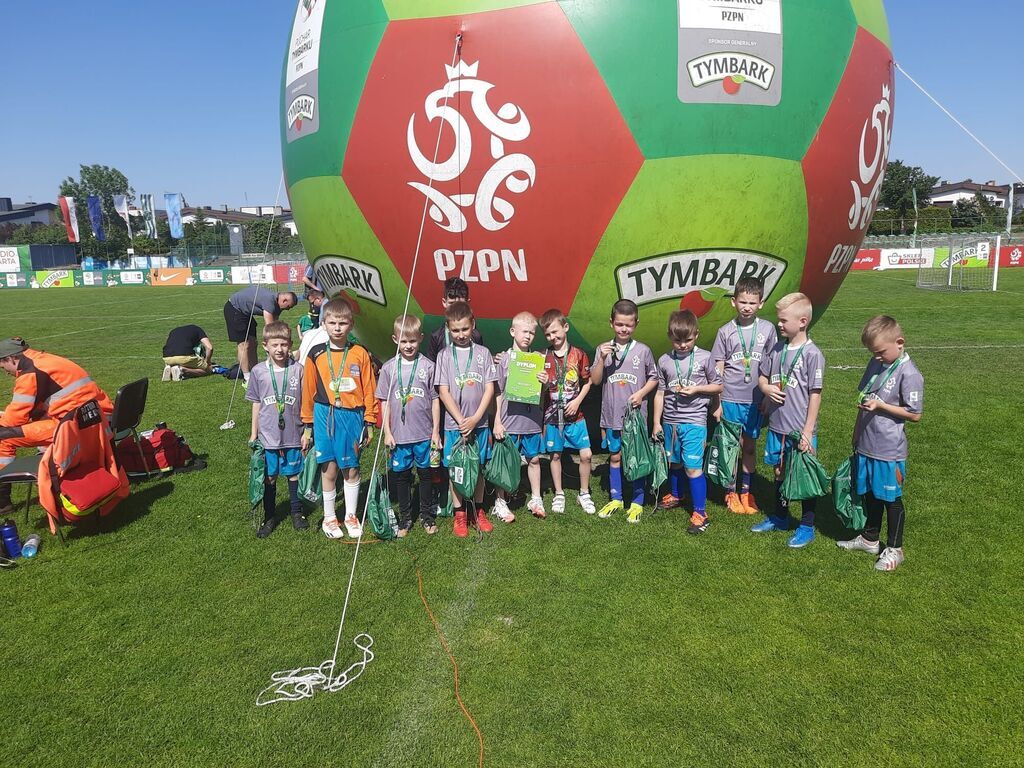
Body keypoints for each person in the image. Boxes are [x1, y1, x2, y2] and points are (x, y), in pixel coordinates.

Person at [837, 315, 924, 572]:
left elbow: (915, 414)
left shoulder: (910, 373)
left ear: (899, 342)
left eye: (881, 352)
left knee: (891, 499)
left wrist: (882, 406)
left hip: (888, 449)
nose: (877, 357)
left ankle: (896, 549)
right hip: (866, 442)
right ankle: (870, 539)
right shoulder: (876, 363)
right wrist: (856, 432)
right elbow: (865, 400)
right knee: (871, 494)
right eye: (873, 353)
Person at [0, 337, 114, 514]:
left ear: (11, 359)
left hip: (71, 428)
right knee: (35, 421)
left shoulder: (28, 372)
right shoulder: (46, 360)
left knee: (4, 437)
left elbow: (14, 419)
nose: (5, 372)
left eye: (3, 367)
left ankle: (2, 501)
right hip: (97, 418)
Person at [301, 297, 378, 539]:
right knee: (329, 468)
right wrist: (307, 426)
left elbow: (369, 388)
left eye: (342, 323)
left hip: (352, 416)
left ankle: (351, 516)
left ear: (351, 324)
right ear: (323, 323)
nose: (337, 328)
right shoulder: (315, 354)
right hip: (325, 415)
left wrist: (370, 421)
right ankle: (329, 518)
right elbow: (308, 390)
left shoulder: (360, 353)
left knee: (351, 468)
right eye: (332, 322)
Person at [752, 292, 825, 548]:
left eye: (783, 321)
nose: (779, 325)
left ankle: (806, 526)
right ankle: (781, 517)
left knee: (804, 477)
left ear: (802, 322)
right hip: (777, 426)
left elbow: (815, 396)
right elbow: (762, 377)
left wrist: (807, 431)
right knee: (779, 472)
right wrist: (766, 389)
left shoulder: (812, 354)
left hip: (800, 429)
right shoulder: (777, 349)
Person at [711, 276, 778, 514]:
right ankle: (730, 492)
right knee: (730, 448)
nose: (747, 307)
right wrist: (716, 402)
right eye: (742, 302)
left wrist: (768, 396)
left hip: (755, 400)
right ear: (733, 302)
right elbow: (718, 367)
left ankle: (747, 493)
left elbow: (772, 366)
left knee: (749, 447)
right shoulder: (725, 332)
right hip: (730, 397)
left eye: (752, 302)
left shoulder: (768, 330)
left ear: (761, 303)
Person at [653, 310, 723, 535]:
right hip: (671, 422)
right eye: (677, 340)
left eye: (688, 340)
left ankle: (701, 513)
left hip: (694, 421)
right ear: (669, 336)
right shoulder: (664, 360)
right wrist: (656, 422)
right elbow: (660, 394)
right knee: (674, 462)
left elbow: (718, 386)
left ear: (697, 335)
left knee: (693, 468)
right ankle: (676, 494)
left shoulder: (705, 357)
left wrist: (697, 389)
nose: (682, 345)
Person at [590, 299, 658, 523]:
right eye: (619, 324)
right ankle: (616, 498)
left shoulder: (643, 350)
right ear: (611, 323)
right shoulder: (603, 349)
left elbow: (654, 378)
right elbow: (596, 380)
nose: (623, 329)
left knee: (636, 457)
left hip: (635, 418)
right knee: (615, 456)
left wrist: (640, 394)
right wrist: (600, 358)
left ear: (636, 324)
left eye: (628, 325)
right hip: (612, 416)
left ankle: (638, 501)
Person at [434, 301, 497, 537]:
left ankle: (478, 511)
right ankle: (460, 514)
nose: (460, 335)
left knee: (478, 467)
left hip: (479, 425)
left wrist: (476, 418)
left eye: (464, 329)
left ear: (473, 325)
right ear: (448, 329)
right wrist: (462, 420)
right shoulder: (444, 356)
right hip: (454, 426)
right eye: (455, 330)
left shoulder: (483, 354)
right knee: (456, 470)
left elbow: (490, 389)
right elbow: (443, 391)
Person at [376, 314, 441, 536]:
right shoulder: (388, 368)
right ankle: (405, 518)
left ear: (420, 338)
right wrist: (387, 432)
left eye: (412, 341)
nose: (408, 346)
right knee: (402, 477)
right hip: (399, 436)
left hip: (423, 433)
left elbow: (435, 399)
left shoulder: (428, 366)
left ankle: (426, 515)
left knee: (425, 474)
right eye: (404, 341)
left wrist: (435, 431)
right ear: (395, 340)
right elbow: (383, 402)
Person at [246, 322, 307, 538]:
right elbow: (255, 402)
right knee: (269, 476)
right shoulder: (259, 371)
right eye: (274, 345)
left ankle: (296, 512)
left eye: (283, 344)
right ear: (265, 346)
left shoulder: (298, 370)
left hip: (293, 433)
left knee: (293, 475)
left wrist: (307, 431)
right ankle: (270, 516)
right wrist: (254, 433)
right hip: (268, 435)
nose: (279, 349)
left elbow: (305, 403)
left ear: (290, 345)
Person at [538, 308, 595, 515]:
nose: (552, 337)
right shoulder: (544, 356)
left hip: (575, 415)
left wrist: (577, 401)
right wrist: (543, 384)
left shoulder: (579, 355)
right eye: (547, 334)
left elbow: (587, 383)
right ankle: (559, 493)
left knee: (586, 454)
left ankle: (584, 493)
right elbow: (540, 390)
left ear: (566, 327)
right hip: (552, 416)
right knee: (555, 455)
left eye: (555, 331)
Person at [493, 312, 546, 522]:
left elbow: (541, 394)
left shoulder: (538, 360)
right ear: (513, 332)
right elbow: (497, 392)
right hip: (508, 420)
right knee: (506, 462)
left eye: (532, 333)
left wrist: (545, 383)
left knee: (534, 459)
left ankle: (535, 498)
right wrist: (497, 420)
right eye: (525, 331)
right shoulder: (504, 359)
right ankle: (500, 501)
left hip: (531, 421)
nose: (528, 336)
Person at [223, 286, 298, 383]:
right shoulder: (269, 301)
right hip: (234, 309)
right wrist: (272, 348)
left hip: (246, 314)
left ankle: (256, 371)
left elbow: (277, 327)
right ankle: (247, 378)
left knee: (253, 343)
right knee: (244, 345)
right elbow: (269, 329)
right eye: (288, 306)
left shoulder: (278, 307)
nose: (288, 309)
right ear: (284, 300)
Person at [424, 277, 484, 361]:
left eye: (460, 304)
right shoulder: (436, 336)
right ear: (444, 302)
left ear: (467, 303)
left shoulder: (476, 335)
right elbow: (431, 366)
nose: (456, 308)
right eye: (451, 303)